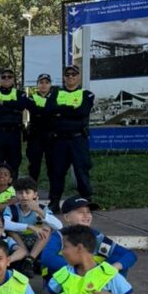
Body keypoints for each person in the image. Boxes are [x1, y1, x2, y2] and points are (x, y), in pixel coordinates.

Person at [39, 196, 138, 277]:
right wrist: (80, 270)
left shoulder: (96, 236)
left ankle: (112, 292)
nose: (86, 215)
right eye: (80, 212)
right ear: (67, 217)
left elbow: (129, 255)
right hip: (66, 282)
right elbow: (47, 258)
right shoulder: (60, 236)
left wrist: (113, 267)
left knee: (118, 259)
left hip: (90, 279)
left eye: (88, 211)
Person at [47, 63, 95, 212]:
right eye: (67, 75)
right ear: (63, 77)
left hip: (78, 139)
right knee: (57, 171)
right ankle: (54, 202)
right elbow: (49, 109)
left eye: (73, 74)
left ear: (79, 77)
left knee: (81, 170)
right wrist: (70, 110)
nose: (70, 77)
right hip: (59, 140)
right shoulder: (55, 93)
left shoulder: (87, 94)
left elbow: (82, 112)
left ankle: (86, 200)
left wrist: (61, 111)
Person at [0, 68, 26, 178]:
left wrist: (3, 103)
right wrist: (13, 108)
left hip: (14, 134)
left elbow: (21, 106)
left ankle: (12, 187)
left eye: (9, 76)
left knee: (14, 164)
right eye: (3, 77)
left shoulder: (20, 94)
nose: (6, 78)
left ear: (13, 79)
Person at [24, 73, 56, 183]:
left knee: (52, 166)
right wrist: (49, 110)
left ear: (50, 84)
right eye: (41, 82)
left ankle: (53, 191)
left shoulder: (56, 97)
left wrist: (43, 111)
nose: (44, 85)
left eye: (47, 82)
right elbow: (35, 110)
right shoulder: (31, 98)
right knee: (34, 165)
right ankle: (32, 189)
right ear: (37, 84)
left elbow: (55, 110)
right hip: (35, 136)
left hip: (51, 136)